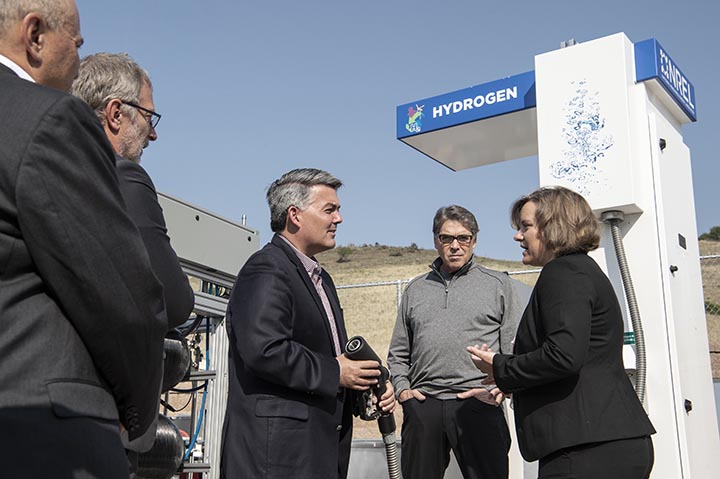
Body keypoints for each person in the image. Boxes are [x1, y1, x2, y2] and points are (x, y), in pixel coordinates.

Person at [0, 1, 168, 478]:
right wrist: (134, 418)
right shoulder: (48, 119)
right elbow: (123, 296)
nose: (78, 61)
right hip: (40, 435)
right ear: (34, 36)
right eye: (76, 44)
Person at [468, 186, 655, 479]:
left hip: (586, 449)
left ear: (553, 227)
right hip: (604, 443)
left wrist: (501, 366)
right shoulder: (582, 271)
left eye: (526, 227)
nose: (518, 236)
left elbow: (563, 356)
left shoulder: (563, 273)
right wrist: (510, 380)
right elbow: (575, 357)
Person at [220, 168, 396, 479]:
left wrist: (363, 388)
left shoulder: (321, 280)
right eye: (329, 209)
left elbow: (326, 366)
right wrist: (336, 372)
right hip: (277, 461)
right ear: (295, 215)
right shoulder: (266, 268)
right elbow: (264, 349)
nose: (338, 219)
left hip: (315, 456)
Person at [71, 52, 196, 474]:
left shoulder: (48, 173)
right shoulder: (122, 176)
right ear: (115, 114)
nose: (153, 134)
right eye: (148, 116)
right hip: (98, 419)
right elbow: (175, 301)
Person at [387, 205, 530, 479]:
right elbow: (399, 351)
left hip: (478, 402)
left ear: (474, 241)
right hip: (424, 404)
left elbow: (514, 346)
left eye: (463, 238)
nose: (455, 246)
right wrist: (404, 391)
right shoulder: (416, 289)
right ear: (435, 241)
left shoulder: (499, 285)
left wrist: (503, 386)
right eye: (446, 238)